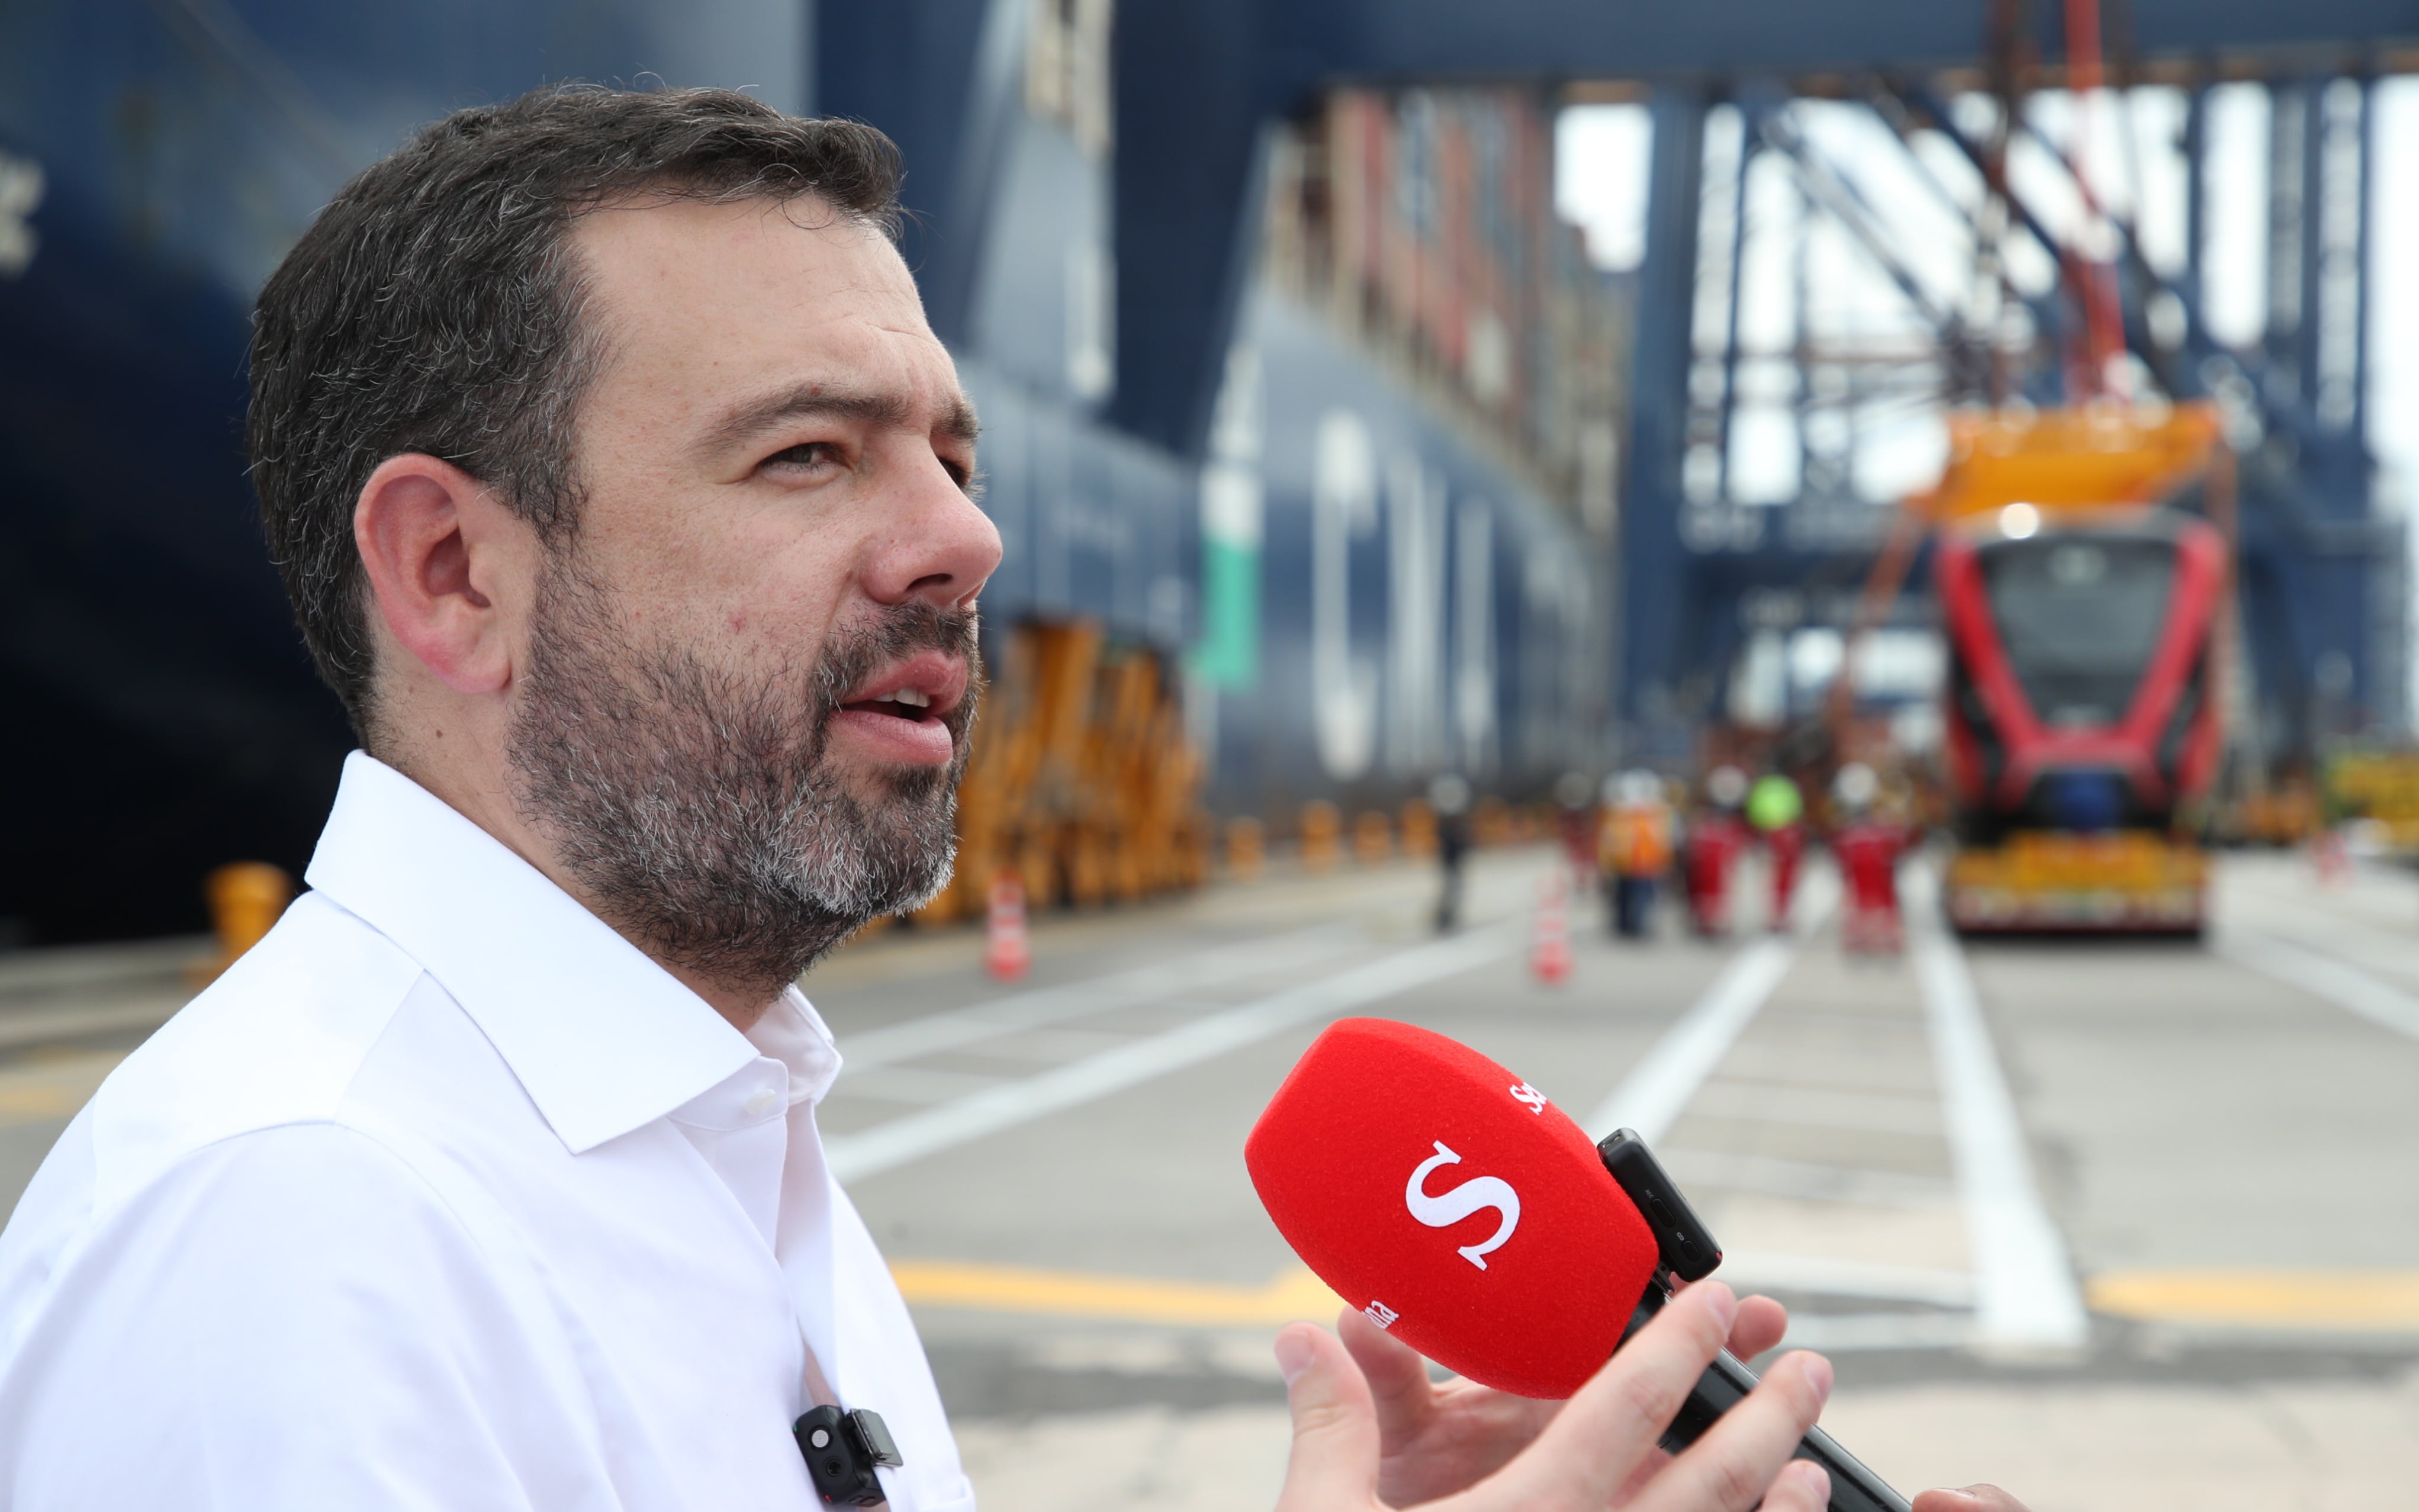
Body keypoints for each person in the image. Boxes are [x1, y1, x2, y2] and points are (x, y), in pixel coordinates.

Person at [0, 85, 1893, 1511]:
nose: (967, 538)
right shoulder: (296, 1231)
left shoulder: (709, 1124)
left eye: (954, 453)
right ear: (454, 573)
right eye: (810, 453)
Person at [1600, 770, 1673, 940]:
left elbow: (1662, 839)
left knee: (1640, 898)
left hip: (1644, 865)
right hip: (1625, 864)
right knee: (1624, 898)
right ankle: (1625, 925)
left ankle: (1636, 926)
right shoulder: (1620, 816)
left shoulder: (1654, 815)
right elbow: (1609, 840)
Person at [1681, 765, 1752, 937]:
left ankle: (1714, 920)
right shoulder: (1703, 824)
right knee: (1705, 893)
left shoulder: (1730, 828)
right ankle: (1706, 920)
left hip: (1717, 870)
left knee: (1717, 893)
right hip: (1705, 869)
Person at [1746, 770, 1806, 932]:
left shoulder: (1762, 787)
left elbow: (1754, 812)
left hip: (1769, 834)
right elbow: (1797, 809)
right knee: (1784, 879)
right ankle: (1781, 915)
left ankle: (1776, 915)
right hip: (1784, 834)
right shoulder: (1787, 787)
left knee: (1773, 878)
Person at [1430, 773, 1475, 934]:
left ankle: (1448, 918)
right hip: (1450, 863)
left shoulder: (1455, 826)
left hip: (1453, 863)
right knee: (1450, 891)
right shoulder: (1447, 827)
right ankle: (1444, 919)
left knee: (1453, 891)